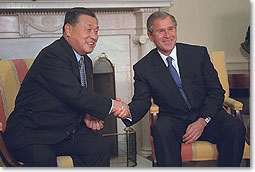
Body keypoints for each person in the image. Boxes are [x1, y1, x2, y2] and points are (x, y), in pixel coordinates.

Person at [3, 7, 130, 167]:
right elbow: (74, 94)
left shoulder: (86, 61)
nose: (94, 36)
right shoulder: (52, 55)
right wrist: (113, 105)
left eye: (97, 31)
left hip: (65, 132)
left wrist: (87, 114)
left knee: (100, 147)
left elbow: (78, 98)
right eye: (89, 30)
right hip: (33, 132)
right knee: (42, 158)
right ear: (68, 29)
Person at [122, 11, 246, 167]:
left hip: (206, 116)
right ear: (150, 36)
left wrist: (202, 121)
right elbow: (142, 100)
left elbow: (216, 91)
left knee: (235, 127)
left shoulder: (197, 54)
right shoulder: (143, 68)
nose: (168, 35)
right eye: (161, 31)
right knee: (161, 130)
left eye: (171, 29)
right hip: (174, 119)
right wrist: (126, 111)